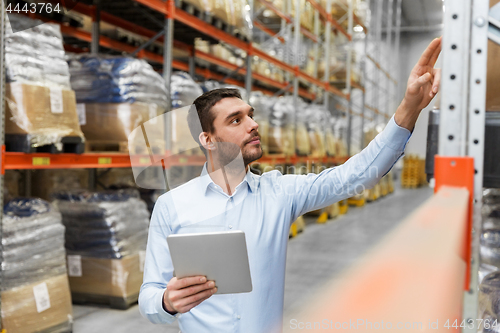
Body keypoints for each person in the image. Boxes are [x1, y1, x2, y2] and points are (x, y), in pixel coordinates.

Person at [139, 37, 442, 333]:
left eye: (250, 116)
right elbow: (149, 296)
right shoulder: (172, 206)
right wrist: (166, 301)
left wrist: (410, 107)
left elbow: (356, 174)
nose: (253, 124)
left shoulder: (279, 193)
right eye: (235, 120)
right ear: (208, 139)